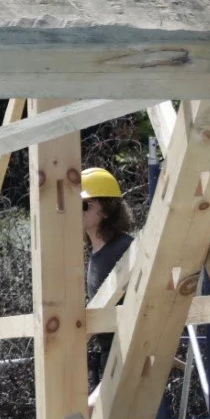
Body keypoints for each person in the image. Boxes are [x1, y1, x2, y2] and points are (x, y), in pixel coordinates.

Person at [81, 166, 136, 387]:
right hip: (107, 359)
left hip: (127, 359)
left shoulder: (126, 250)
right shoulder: (94, 253)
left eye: (84, 205)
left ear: (106, 210)